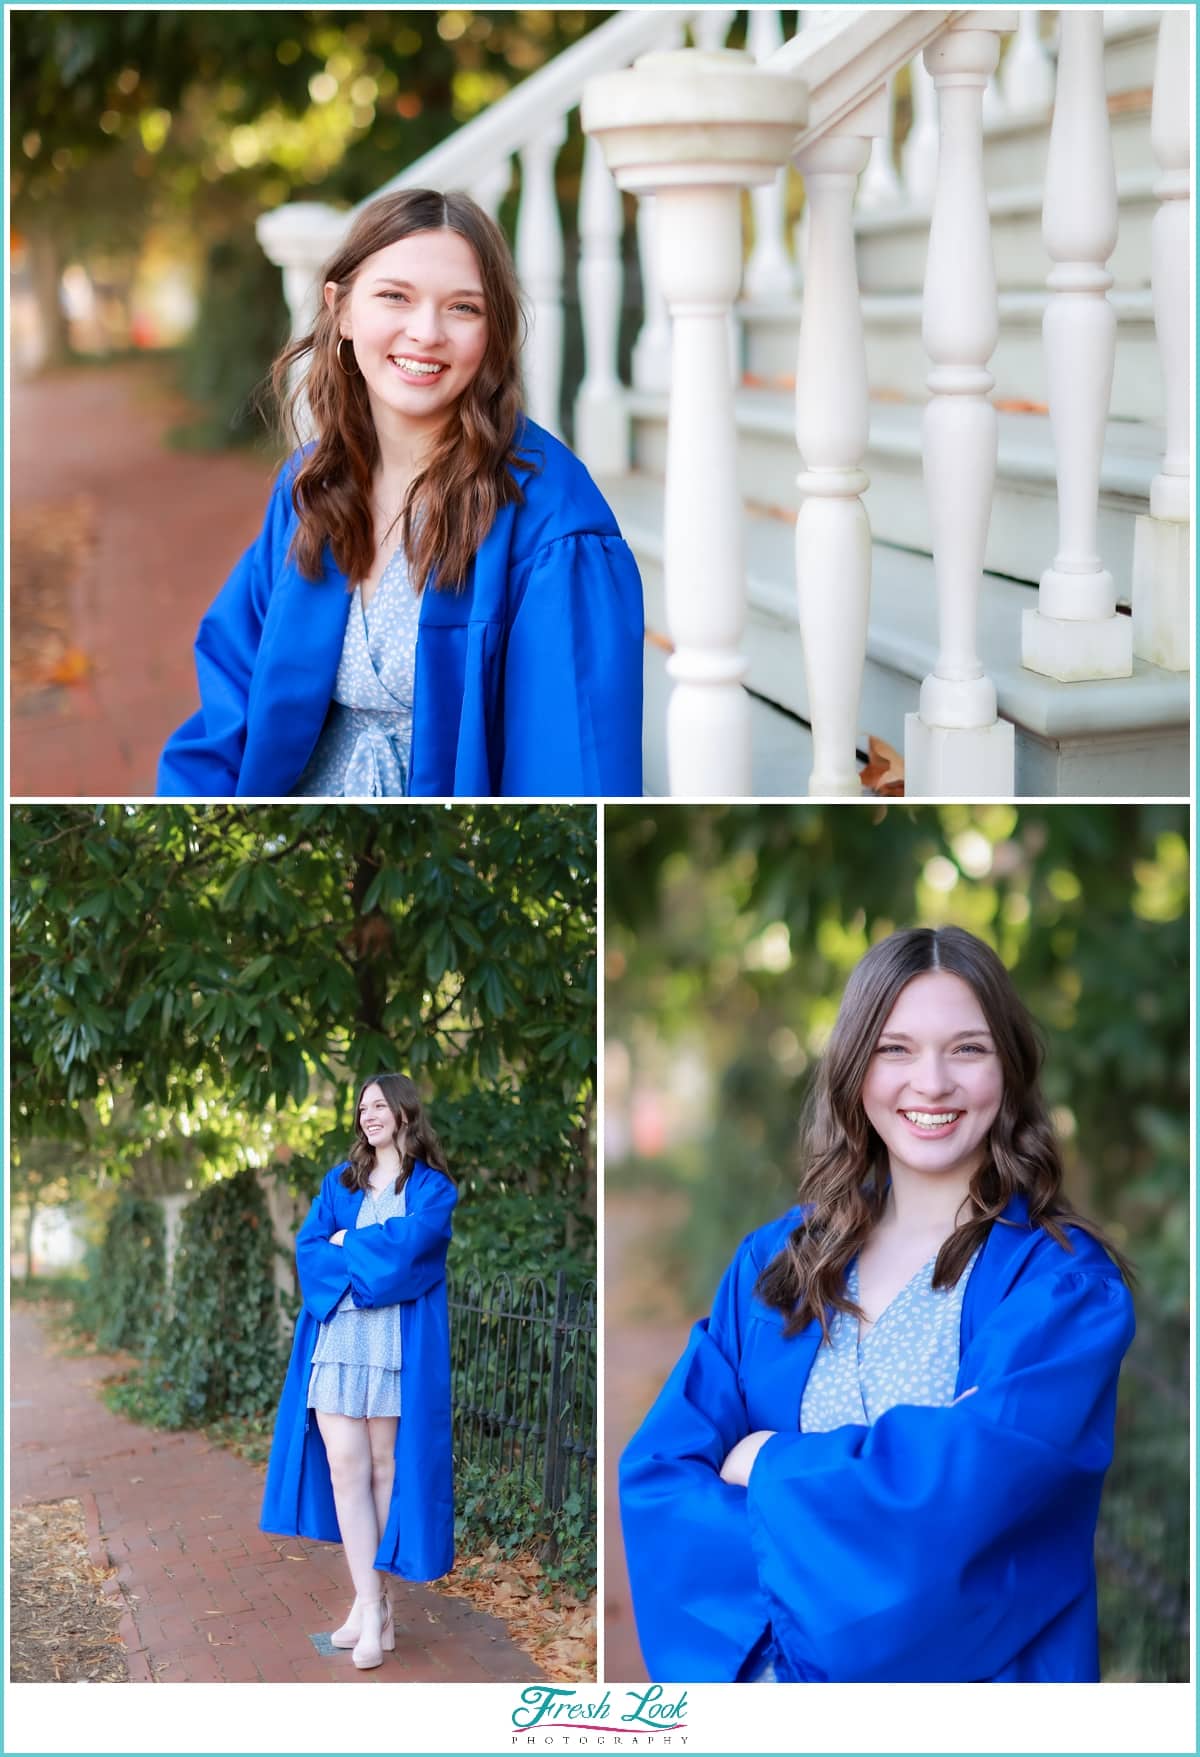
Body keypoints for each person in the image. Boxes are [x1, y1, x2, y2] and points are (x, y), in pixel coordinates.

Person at [620, 926, 1136, 1684]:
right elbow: (661, 1477)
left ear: (1010, 1068)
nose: (931, 1082)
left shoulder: (1060, 1292)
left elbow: (956, 1515)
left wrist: (766, 1461)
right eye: (895, 1048)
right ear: (856, 1067)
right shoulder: (775, 1266)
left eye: (967, 1048)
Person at [158, 187, 644, 798]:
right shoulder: (313, 488)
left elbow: (570, 769)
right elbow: (231, 690)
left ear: (493, 332)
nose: (426, 332)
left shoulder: (553, 528)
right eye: (395, 296)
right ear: (342, 310)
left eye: (464, 308)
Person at [261, 1073, 456, 1670]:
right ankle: (370, 1606)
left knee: (381, 1470)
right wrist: (359, 1245)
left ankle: (377, 1607)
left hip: (394, 1345)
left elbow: (410, 1255)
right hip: (337, 1341)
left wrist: (350, 1245)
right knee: (345, 1467)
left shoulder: (432, 1189)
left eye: (379, 1105)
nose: (368, 1115)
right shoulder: (338, 1184)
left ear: (403, 1113)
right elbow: (309, 1249)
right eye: (362, 1107)